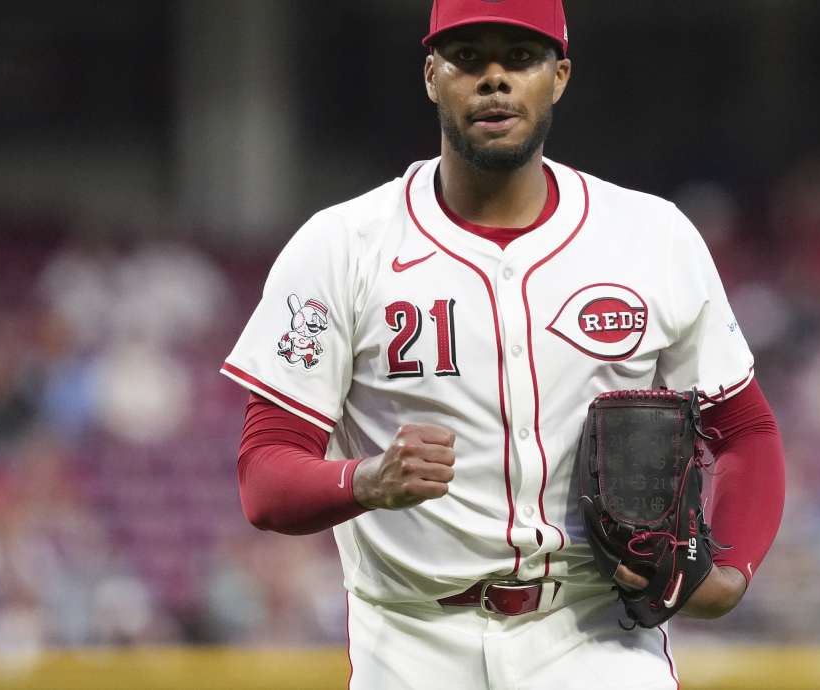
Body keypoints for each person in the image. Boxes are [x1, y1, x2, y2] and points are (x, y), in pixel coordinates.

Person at [221, 1, 785, 687]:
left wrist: (730, 573)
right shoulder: (342, 246)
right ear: (431, 75)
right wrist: (366, 480)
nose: (494, 78)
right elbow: (265, 477)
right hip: (412, 642)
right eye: (468, 58)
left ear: (560, 76)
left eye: (520, 57)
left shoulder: (652, 237)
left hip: (597, 636)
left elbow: (744, 429)